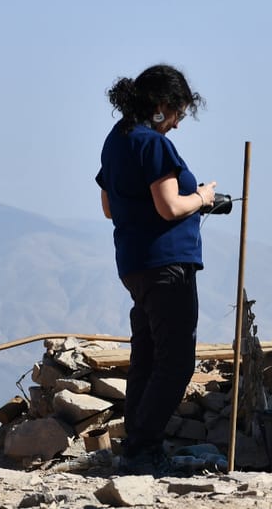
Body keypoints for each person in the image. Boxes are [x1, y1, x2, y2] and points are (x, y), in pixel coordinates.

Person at [95, 63, 217, 476]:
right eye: (179, 113)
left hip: (134, 263)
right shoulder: (153, 144)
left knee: (146, 355)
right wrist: (201, 198)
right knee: (176, 361)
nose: (179, 124)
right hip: (167, 265)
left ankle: (137, 442)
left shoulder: (116, 141)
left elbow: (109, 206)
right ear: (162, 106)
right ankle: (143, 448)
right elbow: (169, 206)